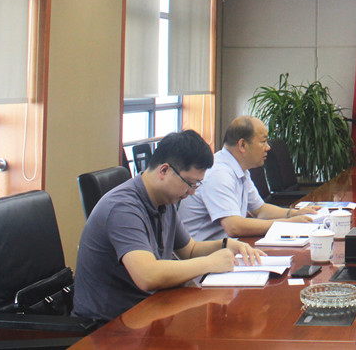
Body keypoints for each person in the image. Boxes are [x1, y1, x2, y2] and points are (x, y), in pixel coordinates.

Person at [73, 130, 264, 323]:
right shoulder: (123, 208)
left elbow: (190, 250)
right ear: (164, 171)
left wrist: (226, 244)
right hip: (110, 325)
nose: (191, 192)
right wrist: (210, 263)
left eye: (196, 185)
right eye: (190, 184)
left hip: (148, 311)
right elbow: (147, 275)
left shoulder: (164, 200)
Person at [179, 115, 317, 240]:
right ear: (243, 145)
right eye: (263, 141)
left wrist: (294, 214)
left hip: (228, 249)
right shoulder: (219, 173)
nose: (268, 148)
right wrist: (287, 224)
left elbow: (260, 210)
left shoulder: (239, 170)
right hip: (205, 255)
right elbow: (234, 227)